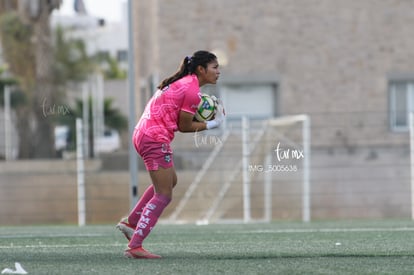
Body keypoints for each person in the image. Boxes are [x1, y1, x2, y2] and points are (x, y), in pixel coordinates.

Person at [116, 50, 225, 259]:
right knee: (164, 194)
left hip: (144, 134)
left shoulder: (184, 83)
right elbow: (184, 126)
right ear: (201, 69)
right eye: (215, 67)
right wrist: (212, 124)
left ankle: (131, 222)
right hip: (154, 138)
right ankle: (135, 246)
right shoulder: (191, 90)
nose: (218, 72)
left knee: (170, 181)